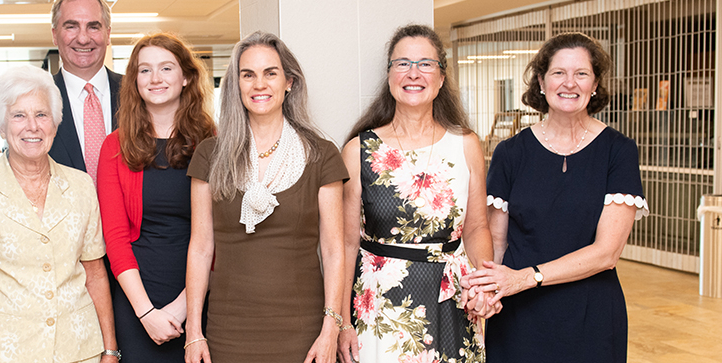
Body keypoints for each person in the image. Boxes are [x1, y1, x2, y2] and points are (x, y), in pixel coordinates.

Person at [461, 32, 648, 363]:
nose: (570, 83)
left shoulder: (617, 151)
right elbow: (497, 244)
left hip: (591, 317)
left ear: (595, 84)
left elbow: (607, 253)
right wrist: (488, 291)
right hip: (519, 317)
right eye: (559, 73)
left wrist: (526, 277)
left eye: (582, 74)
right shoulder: (510, 153)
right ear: (541, 81)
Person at [183, 32, 348, 363]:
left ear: (288, 82)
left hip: (302, 331)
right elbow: (201, 249)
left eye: (270, 73)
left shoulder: (321, 155)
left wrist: (331, 329)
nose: (259, 84)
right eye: (248, 75)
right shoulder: (210, 155)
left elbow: (333, 251)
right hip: (227, 331)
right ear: (236, 85)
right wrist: (193, 333)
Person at [336, 24, 494, 363]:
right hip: (379, 307)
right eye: (402, 63)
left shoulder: (466, 145)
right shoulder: (358, 150)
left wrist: (483, 287)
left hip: (451, 299)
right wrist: (342, 321)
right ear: (389, 75)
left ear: (440, 78)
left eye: (426, 64)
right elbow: (347, 243)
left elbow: (478, 227)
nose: (413, 73)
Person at [0, 65, 119, 363]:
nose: (32, 126)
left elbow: (95, 274)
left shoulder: (80, 186)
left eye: (41, 115)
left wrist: (110, 349)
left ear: (54, 123)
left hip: (80, 349)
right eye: (18, 115)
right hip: (6, 351)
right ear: (2, 126)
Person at [97, 33, 216, 361]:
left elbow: (221, 236)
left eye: (166, 68)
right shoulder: (114, 148)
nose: (155, 79)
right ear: (134, 80)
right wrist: (146, 312)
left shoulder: (214, 143)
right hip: (137, 298)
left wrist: (183, 309)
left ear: (186, 77)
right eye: (145, 70)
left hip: (202, 295)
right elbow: (116, 238)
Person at [49, 0, 124, 183]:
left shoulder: (138, 92)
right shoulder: (37, 98)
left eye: (93, 26)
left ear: (108, 35)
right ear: (55, 35)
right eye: (71, 26)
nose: (83, 38)